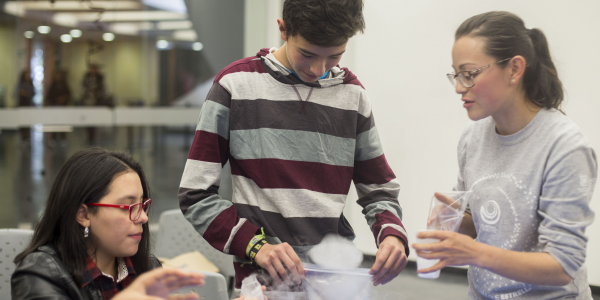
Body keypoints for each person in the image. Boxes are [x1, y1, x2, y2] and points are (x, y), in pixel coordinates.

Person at [178, 0, 408, 289]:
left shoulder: (353, 95)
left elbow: (379, 190)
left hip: (333, 281)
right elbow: (196, 195)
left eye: (335, 56)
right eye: (307, 54)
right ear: (283, 29)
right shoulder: (235, 85)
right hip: (261, 284)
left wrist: (391, 234)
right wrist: (257, 246)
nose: (318, 69)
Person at [413, 11, 597, 299]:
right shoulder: (472, 137)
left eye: (470, 74)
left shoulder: (565, 147)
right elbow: (487, 227)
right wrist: (457, 220)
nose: (460, 87)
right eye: (456, 75)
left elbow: (562, 265)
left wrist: (474, 253)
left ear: (514, 69)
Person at [10, 148, 208, 300]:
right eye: (127, 206)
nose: (143, 218)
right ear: (83, 214)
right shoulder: (40, 273)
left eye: (142, 205)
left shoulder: (147, 267)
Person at [46, 69, 72, 147]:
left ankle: (63, 138)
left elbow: (68, 94)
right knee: (54, 123)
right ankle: (53, 138)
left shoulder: (64, 84)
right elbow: (49, 96)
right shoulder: (53, 85)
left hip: (63, 107)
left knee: (63, 123)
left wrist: (63, 99)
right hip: (54, 106)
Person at [16, 69, 35, 144]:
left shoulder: (30, 83)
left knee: (28, 121)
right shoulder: (20, 83)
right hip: (21, 104)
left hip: (28, 105)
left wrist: (26, 93)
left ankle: (27, 137)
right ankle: (23, 137)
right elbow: (16, 92)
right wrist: (23, 93)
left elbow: (33, 92)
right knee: (21, 121)